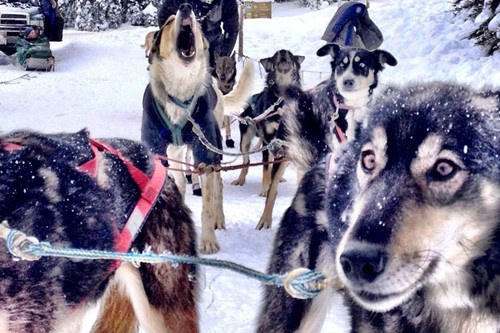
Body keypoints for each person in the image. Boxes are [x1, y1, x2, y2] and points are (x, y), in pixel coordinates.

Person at [157, 0, 239, 70]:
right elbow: (164, 17)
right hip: (185, 44)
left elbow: (232, 30)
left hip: (213, 44)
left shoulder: (228, 2)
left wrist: (222, 56)